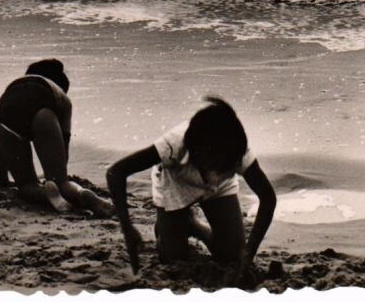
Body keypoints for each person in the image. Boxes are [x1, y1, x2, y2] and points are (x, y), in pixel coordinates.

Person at [106, 98, 276, 278]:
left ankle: (193, 225)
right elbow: (115, 173)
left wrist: (249, 251)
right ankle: (172, 226)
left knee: (232, 256)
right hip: (176, 182)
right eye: (215, 165)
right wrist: (127, 229)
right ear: (197, 152)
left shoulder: (237, 151)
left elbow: (268, 198)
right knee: (173, 260)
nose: (215, 173)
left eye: (225, 167)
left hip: (219, 188)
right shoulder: (173, 145)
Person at [0, 59, 113, 217]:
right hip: (43, 111)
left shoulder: (16, 86)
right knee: (61, 183)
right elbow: (64, 142)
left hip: (6, 111)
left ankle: (45, 194)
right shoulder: (62, 97)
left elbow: (0, 146)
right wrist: (59, 174)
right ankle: (83, 195)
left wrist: (2, 181)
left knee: (26, 185)